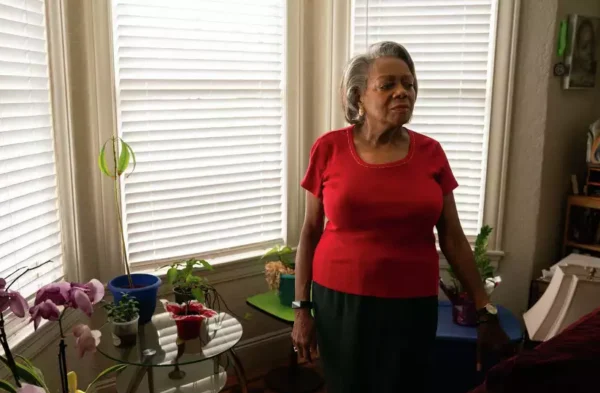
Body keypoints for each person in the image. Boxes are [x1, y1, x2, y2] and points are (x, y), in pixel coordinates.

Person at [291, 41, 511, 393]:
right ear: (359, 96)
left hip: (411, 304)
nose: (402, 92)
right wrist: (302, 309)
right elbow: (310, 232)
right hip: (341, 301)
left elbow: (452, 236)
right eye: (388, 84)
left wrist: (485, 308)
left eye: (408, 84)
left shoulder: (431, 153)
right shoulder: (329, 148)